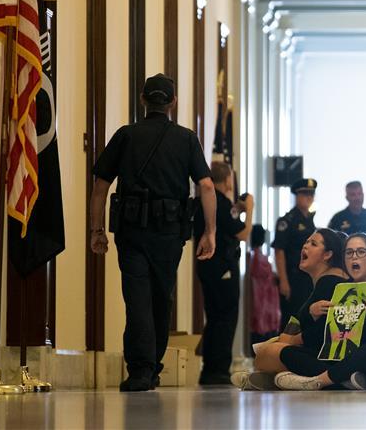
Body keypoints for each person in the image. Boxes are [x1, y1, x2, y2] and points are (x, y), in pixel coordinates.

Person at [88, 73, 216, 392]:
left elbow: (101, 186)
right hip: (169, 233)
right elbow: (207, 186)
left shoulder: (125, 136)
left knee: (137, 298)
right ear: (173, 102)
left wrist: (97, 229)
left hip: (131, 231)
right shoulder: (186, 139)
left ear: (143, 100)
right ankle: (151, 366)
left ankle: (140, 370)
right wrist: (210, 231)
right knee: (161, 296)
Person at [273, 229, 366, 391]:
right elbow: (327, 330)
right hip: (343, 352)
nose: (354, 257)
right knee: (288, 353)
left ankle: (317, 382)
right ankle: (343, 381)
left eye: (361, 252)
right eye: (349, 253)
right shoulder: (344, 288)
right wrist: (312, 312)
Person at [194, 162, 253, 385]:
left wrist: (237, 210)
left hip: (208, 267)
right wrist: (250, 209)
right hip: (223, 268)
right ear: (228, 179)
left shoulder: (207, 202)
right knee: (225, 318)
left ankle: (210, 368)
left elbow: (225, 222)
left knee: (214, 316)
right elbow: (243, 233)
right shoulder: (221, 201)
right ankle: (218, 370)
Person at [273, 178, 318, 329]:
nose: (309, 197)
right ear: (297, 196)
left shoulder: (310, 221)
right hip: (292, 276)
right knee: (290, 317)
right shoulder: (287, 221)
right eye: (305, 193)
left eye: (311, 194)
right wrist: (284, 281)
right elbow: (279, 251)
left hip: (307, 277)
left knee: (305, 316)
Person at [248, 224, 280, 347]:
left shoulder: (257, 256)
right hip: (263, 295)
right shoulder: (256, 256)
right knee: (262, 321)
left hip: (265, 294)